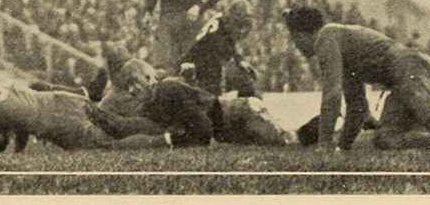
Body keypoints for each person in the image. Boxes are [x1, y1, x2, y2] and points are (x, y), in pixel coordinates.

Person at [282, 6, 430, 150]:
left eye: (295, 40)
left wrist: (325, 144)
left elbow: (331, 96)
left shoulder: (326, 37)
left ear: (300, 35)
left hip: (409, 69)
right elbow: (357, 106)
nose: (297, 48)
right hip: (400, 78)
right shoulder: (340, 46)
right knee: (386, 139)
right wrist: (343, 147)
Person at [0, 65, 172, 152]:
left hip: (58, 121)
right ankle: (164, 127)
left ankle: (169, 139)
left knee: (107, 146)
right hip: (61, 99)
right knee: (117, 125)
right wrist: (18, 153)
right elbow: (19, 116)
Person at [83, 58, 295, 147]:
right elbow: (142, 128)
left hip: (244, 113)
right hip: (230, 127)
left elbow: (204, 131)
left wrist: (175, 138)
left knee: (287, 144)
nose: (131, 91)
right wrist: (114, 125)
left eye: (133, 83)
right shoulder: (154, 100)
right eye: (127, 87)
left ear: (147, 78)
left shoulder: (168, 89)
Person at [180, 0, 259, 96]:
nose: (241, 29)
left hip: (204, 59)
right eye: (239, 24)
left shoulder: (222, 22)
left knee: (247, 83)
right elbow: (214, 48)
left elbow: (230, 42)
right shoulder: (217, 34)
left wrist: (240, 60)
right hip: (199, 63)